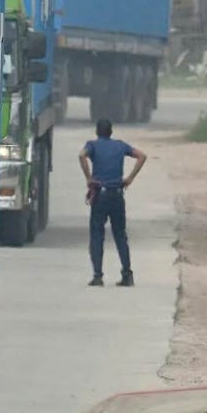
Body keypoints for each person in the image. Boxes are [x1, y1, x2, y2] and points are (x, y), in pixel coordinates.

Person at [80, 119, 147, 287]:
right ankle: (127, 274)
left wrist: (89, 178)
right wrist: (130, 178)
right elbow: (142, 155)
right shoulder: (120, 146)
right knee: (120, 235)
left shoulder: (92, 145)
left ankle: (98, 275)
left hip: (100, 195)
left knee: (97, 234)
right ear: (111, 131)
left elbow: (82, 155)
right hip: (117, 195)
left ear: (97, 131)